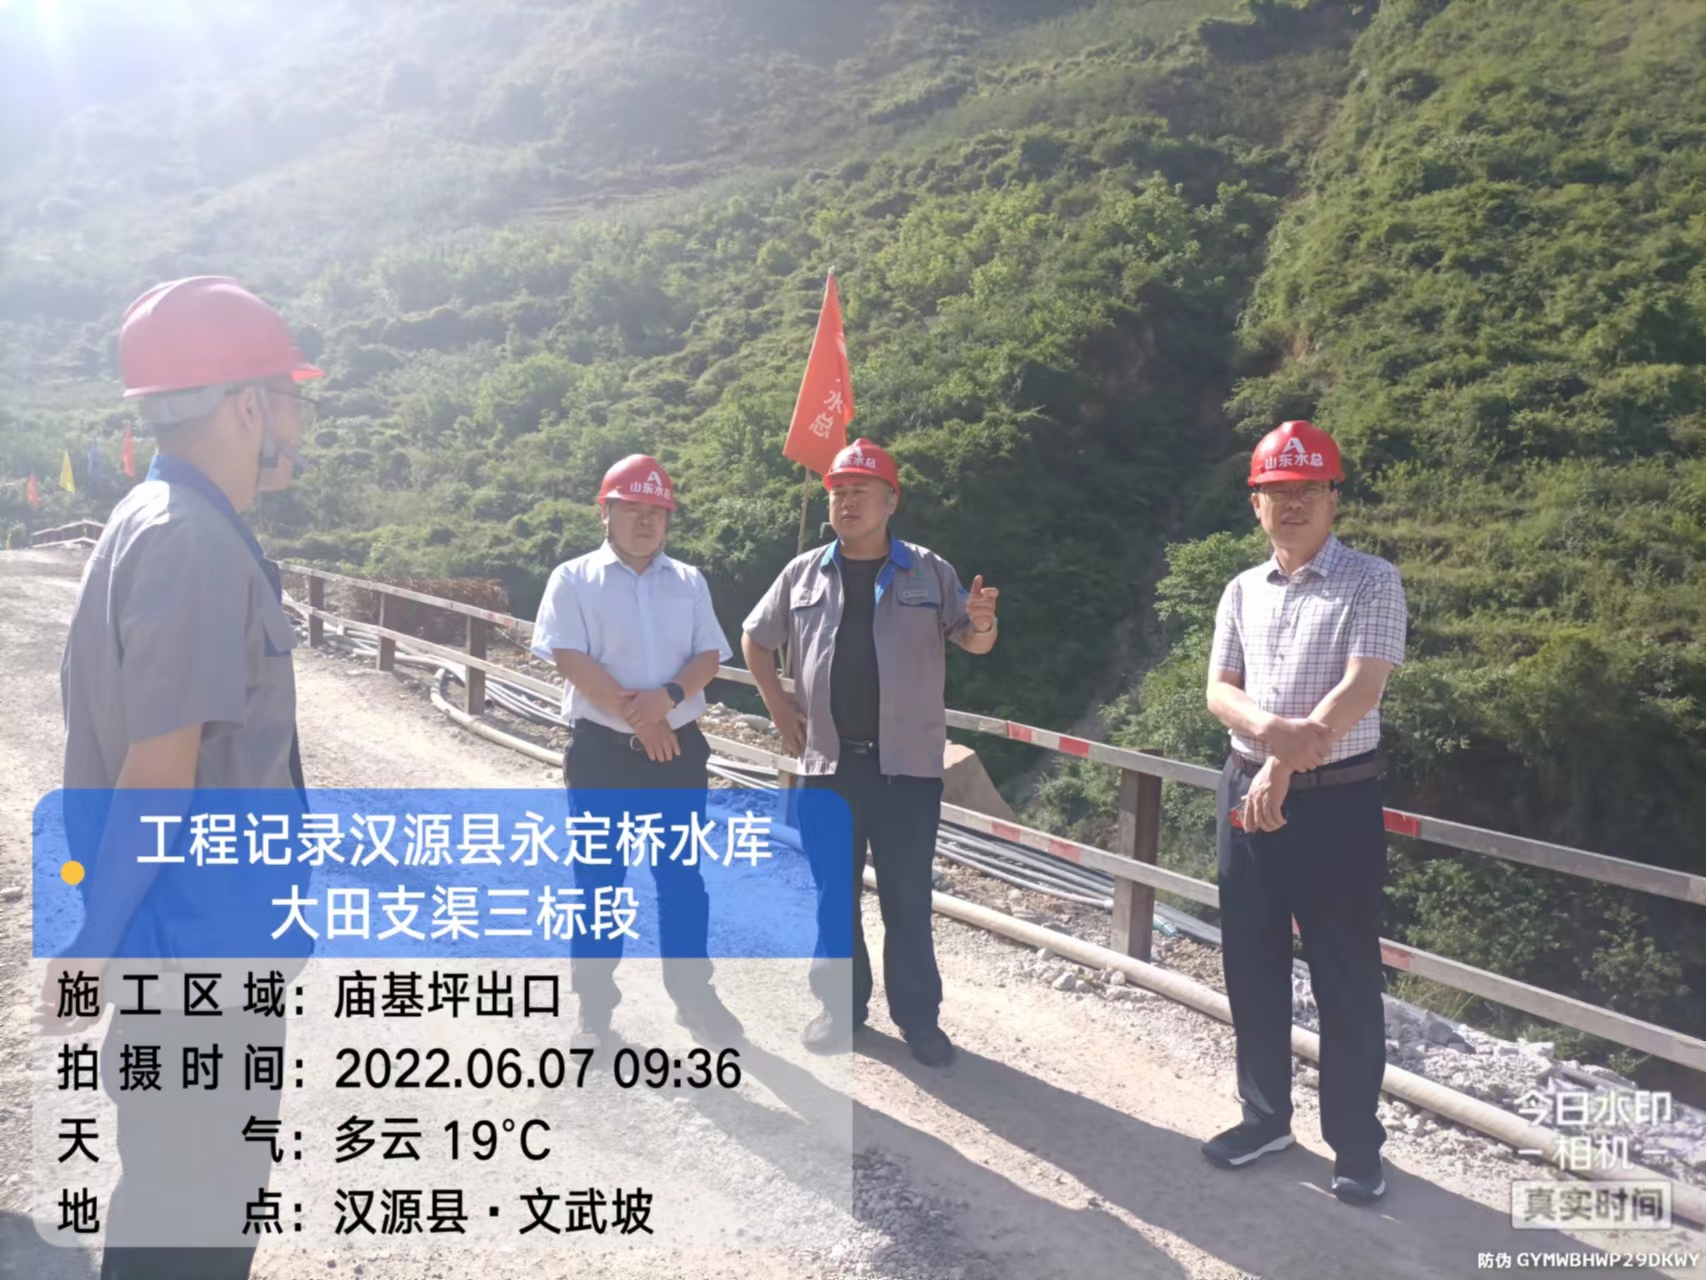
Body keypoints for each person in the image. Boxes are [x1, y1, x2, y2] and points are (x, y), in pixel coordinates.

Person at [42, 275, 321, 1277]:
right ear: (246, 407)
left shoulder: (163, 519)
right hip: (199, 962)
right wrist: (90, 945)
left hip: (198, 951)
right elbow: (157, 771)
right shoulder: (190, 540)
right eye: (289, 398)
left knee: (184, 1211)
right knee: (190, 1226)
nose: (299, 423)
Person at [1199, 419, 1407, 1205]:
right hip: (1244, 788)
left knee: (1343, 970)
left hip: (1336, 799)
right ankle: (1264, 1118)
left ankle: (1355, 1145)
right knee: (1250, 961)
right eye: (1276, 492)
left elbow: (1361, 689)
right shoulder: (1241, 589)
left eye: (1308, 490)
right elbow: (1219, 690)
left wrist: (1282, 763)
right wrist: (1268, 738)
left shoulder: (1371, 580)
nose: (1291, 505)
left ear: (1333, 498)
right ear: (1255, 502)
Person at [741, 438, 999, 1068]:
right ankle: (841, 1009)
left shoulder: (928, 571)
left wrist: (984, 621)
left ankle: (919, 1020)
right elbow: (755, 638)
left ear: (891, 502)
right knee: (833, 896)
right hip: (830, 764)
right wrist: (778, 707)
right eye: (838, 491)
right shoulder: (803, 573)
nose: (847, 501)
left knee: (907, 898)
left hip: (907, 770)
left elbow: (975, 643)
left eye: (861, 491)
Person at [530, 453, 744, 1049]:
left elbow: (708, 656)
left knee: (682, 879)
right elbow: (569, 656)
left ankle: (693, 997)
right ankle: (595, 1011)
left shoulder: (689, 581)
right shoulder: (573, 579)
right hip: (602, 753)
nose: (646, 521)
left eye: (657, 511)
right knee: (599, 881)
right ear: (605, 511)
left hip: (678, 751)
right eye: (633, 509)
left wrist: (668, 699)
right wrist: (642, 720)